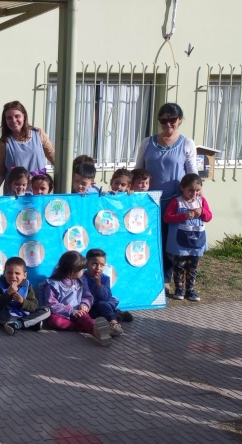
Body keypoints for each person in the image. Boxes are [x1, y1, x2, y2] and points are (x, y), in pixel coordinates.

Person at [134, 103, 199, 289]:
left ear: (179, 120)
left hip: (175, 201)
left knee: (170, 243)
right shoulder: (148, 142)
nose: (168, 124)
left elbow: (191, 174)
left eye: (172, 120)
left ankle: (165, 279)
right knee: (148, 239)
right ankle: (145, 274)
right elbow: (138, 169)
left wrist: (195, 200)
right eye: (163, 120)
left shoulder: (187, 143)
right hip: (149, 201)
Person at [38, 251, 112, 347]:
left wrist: (85, 304)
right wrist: (71, 311)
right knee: (53, 321)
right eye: (82, 269)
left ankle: (95, 329)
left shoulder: (81, 280)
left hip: (78, 313)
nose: (83, 271)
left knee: (84, 316)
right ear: (73, 271)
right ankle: (91, 329)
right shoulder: (53, 284)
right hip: (60, 314)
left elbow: (88, 296)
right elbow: (52, 304)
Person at [163, 174, 212, 301]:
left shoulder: (202, 201)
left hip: (196, 242)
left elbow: (209, 217)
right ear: (182, 188)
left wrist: (202, 211)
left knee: (193, 267)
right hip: (180, 244)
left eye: (197, 190)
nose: (194, 193)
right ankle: (179, 289)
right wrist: (183, 216)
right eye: (190, 190)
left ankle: (190, 290)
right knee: (178, 266)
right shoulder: (176, 201)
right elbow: (167, 218)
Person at [0, 101, 55, 194]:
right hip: (15, 196)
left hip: (37, 193)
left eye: (17, 116)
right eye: (9, 118)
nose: (13, 120)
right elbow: (0, 171)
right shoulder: (4, 142)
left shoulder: (39, 134)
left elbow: (54, 158)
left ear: (24, 116)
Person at [0, 257, 50, 336]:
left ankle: (18, 324)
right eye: (9, 273)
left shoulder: (27, 286)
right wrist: (8, 293)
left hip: (25, 314)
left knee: (46, 310)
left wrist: (22, 301)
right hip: (9, 316)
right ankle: (30, 323)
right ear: (4, 273)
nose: (13, 276)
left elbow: (35, 306)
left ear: (24, 275)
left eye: (17, 273)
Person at [85, 249, 133, 338]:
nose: (98, 268)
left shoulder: (105, 279)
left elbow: (105, 297)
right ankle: (118, 315)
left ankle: (114, 324)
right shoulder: (82, 277)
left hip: (103, 303)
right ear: (86, 263)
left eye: (102, 265)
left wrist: (98, 284)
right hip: (89, 306)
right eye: (94, 264)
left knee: (102, 304)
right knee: (93, 315)